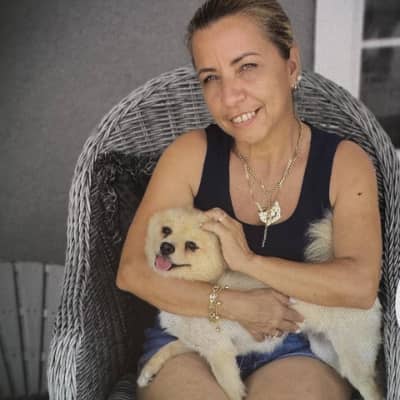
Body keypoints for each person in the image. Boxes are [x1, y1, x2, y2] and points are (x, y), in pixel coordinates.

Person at [116, 0, 382, 399]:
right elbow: (134, 270)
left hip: (297, 342)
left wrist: (250, 262)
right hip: (193, 338)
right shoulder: (190, 154)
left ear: (291, 66)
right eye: (211, 77)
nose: (229, 96)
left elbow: (359, 285)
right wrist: (235, 305)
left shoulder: (344, 162)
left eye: (247, 67)